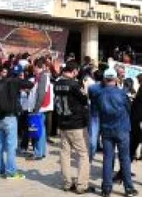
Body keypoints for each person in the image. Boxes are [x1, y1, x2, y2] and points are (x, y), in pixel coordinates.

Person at [93, 68, 138, 197]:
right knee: (124, 158)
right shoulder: (122, 94)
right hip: (122, 128)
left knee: (108, 159)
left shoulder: (99, 95)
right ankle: (128, 188)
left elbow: (96, 112)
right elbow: (129, 110)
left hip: (107, 129)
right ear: (115, 79)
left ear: (104, 79)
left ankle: (106, 189)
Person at [0, 62, 34, 179]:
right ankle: (11, 172)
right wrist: (23, 78)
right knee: (11, 146)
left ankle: (0, 170)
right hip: (10, 117)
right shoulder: (14, 82)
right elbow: (30, 84)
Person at [54, 62, 91, 193]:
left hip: (63, 123)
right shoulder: (74, 85)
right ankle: (81, 185)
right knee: (83, 154)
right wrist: (85, 88)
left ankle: (67, 182)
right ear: (74, 71)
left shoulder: (57, 84)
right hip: (76, 124)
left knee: (65, 154)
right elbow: (85, 100)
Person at [28, 58, 52, 161]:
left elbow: (41, 94)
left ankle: (38, 152)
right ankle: (40, 152)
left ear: (40, 67)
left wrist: (36, 108)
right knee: (41, 130)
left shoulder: (43, 77)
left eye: (36, 68)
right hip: (40, 107)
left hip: (39, 108)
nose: (34, 70)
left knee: (38, 130)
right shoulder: (40, 76)